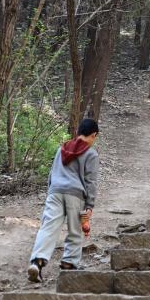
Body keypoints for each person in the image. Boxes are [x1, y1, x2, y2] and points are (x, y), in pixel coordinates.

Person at [28, 117, 100, 282]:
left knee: (48, 227)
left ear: (79, 132)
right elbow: (91, 181)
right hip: (75, 194)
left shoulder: (61, 149)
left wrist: (50, 192)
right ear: (93, 135)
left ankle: (37, 262)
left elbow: (51, 173)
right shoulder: (90, 154)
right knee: (75, 231)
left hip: (55, 192)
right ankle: (69, 264)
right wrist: (89, 205)